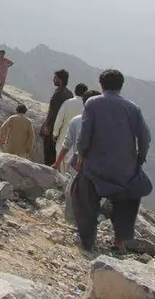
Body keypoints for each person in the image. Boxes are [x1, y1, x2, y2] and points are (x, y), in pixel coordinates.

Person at [73, 69, 151, 252]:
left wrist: (81, 155)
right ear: (121, 86)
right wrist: (139, 159)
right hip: (125, 170)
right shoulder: (133, 108)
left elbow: (85, 135)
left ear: (101, 84)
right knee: (128, 201)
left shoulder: (92, 103)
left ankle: (88, 240)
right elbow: (145, 138)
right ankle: (120, 241)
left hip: (95, 167)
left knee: (83, 195)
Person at [55, 89, 100, 223]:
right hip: (96, 166)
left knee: (73, 191)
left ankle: (71, 220)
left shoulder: (76, 121)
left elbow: (66, 144)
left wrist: (57, 162)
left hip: (78, 164)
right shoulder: (105, 124)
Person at [52, 83, 88, 173]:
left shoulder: (68, 102)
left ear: (75, 91)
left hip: (65, 136)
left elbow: (59, 119)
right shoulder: (87, 106)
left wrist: (55, 133)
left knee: (61, 164)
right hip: (79, 141)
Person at [41, 69, 74, 165]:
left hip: (53, 128)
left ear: (60, 80)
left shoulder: (58, 93)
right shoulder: (69, 93)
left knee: (49, 154)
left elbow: (53, 112)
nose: (53, 80)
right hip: (63, 128)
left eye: (55, 78)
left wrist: (48, 126)